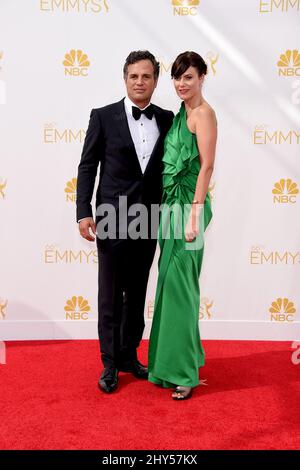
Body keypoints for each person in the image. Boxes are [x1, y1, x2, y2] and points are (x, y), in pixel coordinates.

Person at [76, 51, 174, 393]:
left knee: (136, 292)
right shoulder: (103, 116)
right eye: (134, 76)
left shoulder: (167, 118)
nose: (140, 82)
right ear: (125, 78)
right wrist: (83, 210)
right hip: (112, 216)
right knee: (110, 296)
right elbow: (87, 165)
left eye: (146, 76)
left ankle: (129, 354)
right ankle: (109, 364)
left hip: (149, 216)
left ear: (155, 80)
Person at [148, 51, 217, 400]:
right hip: (171, 210)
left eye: (188, 77)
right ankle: (169, 365)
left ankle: (184, 373)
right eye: (177, 77)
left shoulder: (203, 114)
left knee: (182, 290)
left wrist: (194, 214)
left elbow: (205, 167)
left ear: (203, 76)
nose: (181, 84)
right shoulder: (181, 113)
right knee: (170, 287)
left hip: (189, 209)